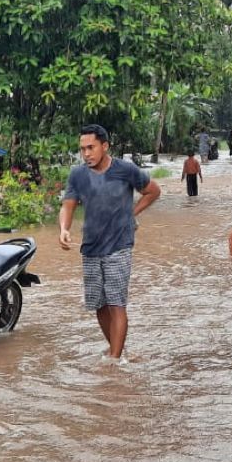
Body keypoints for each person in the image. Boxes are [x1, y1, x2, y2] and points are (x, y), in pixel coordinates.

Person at [59, 124, 162, 360]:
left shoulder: (125, 170)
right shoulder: (78, 175)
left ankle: (115, 362)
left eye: (91, 148)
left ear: (105, 146)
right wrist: (64, 229)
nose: (86, 154)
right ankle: (119, 349)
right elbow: (68, 205)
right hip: (91, 247)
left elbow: (153, 191)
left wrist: (131, 213)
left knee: (117, 304)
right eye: (82, 149)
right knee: (99, 305)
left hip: (120, 245)